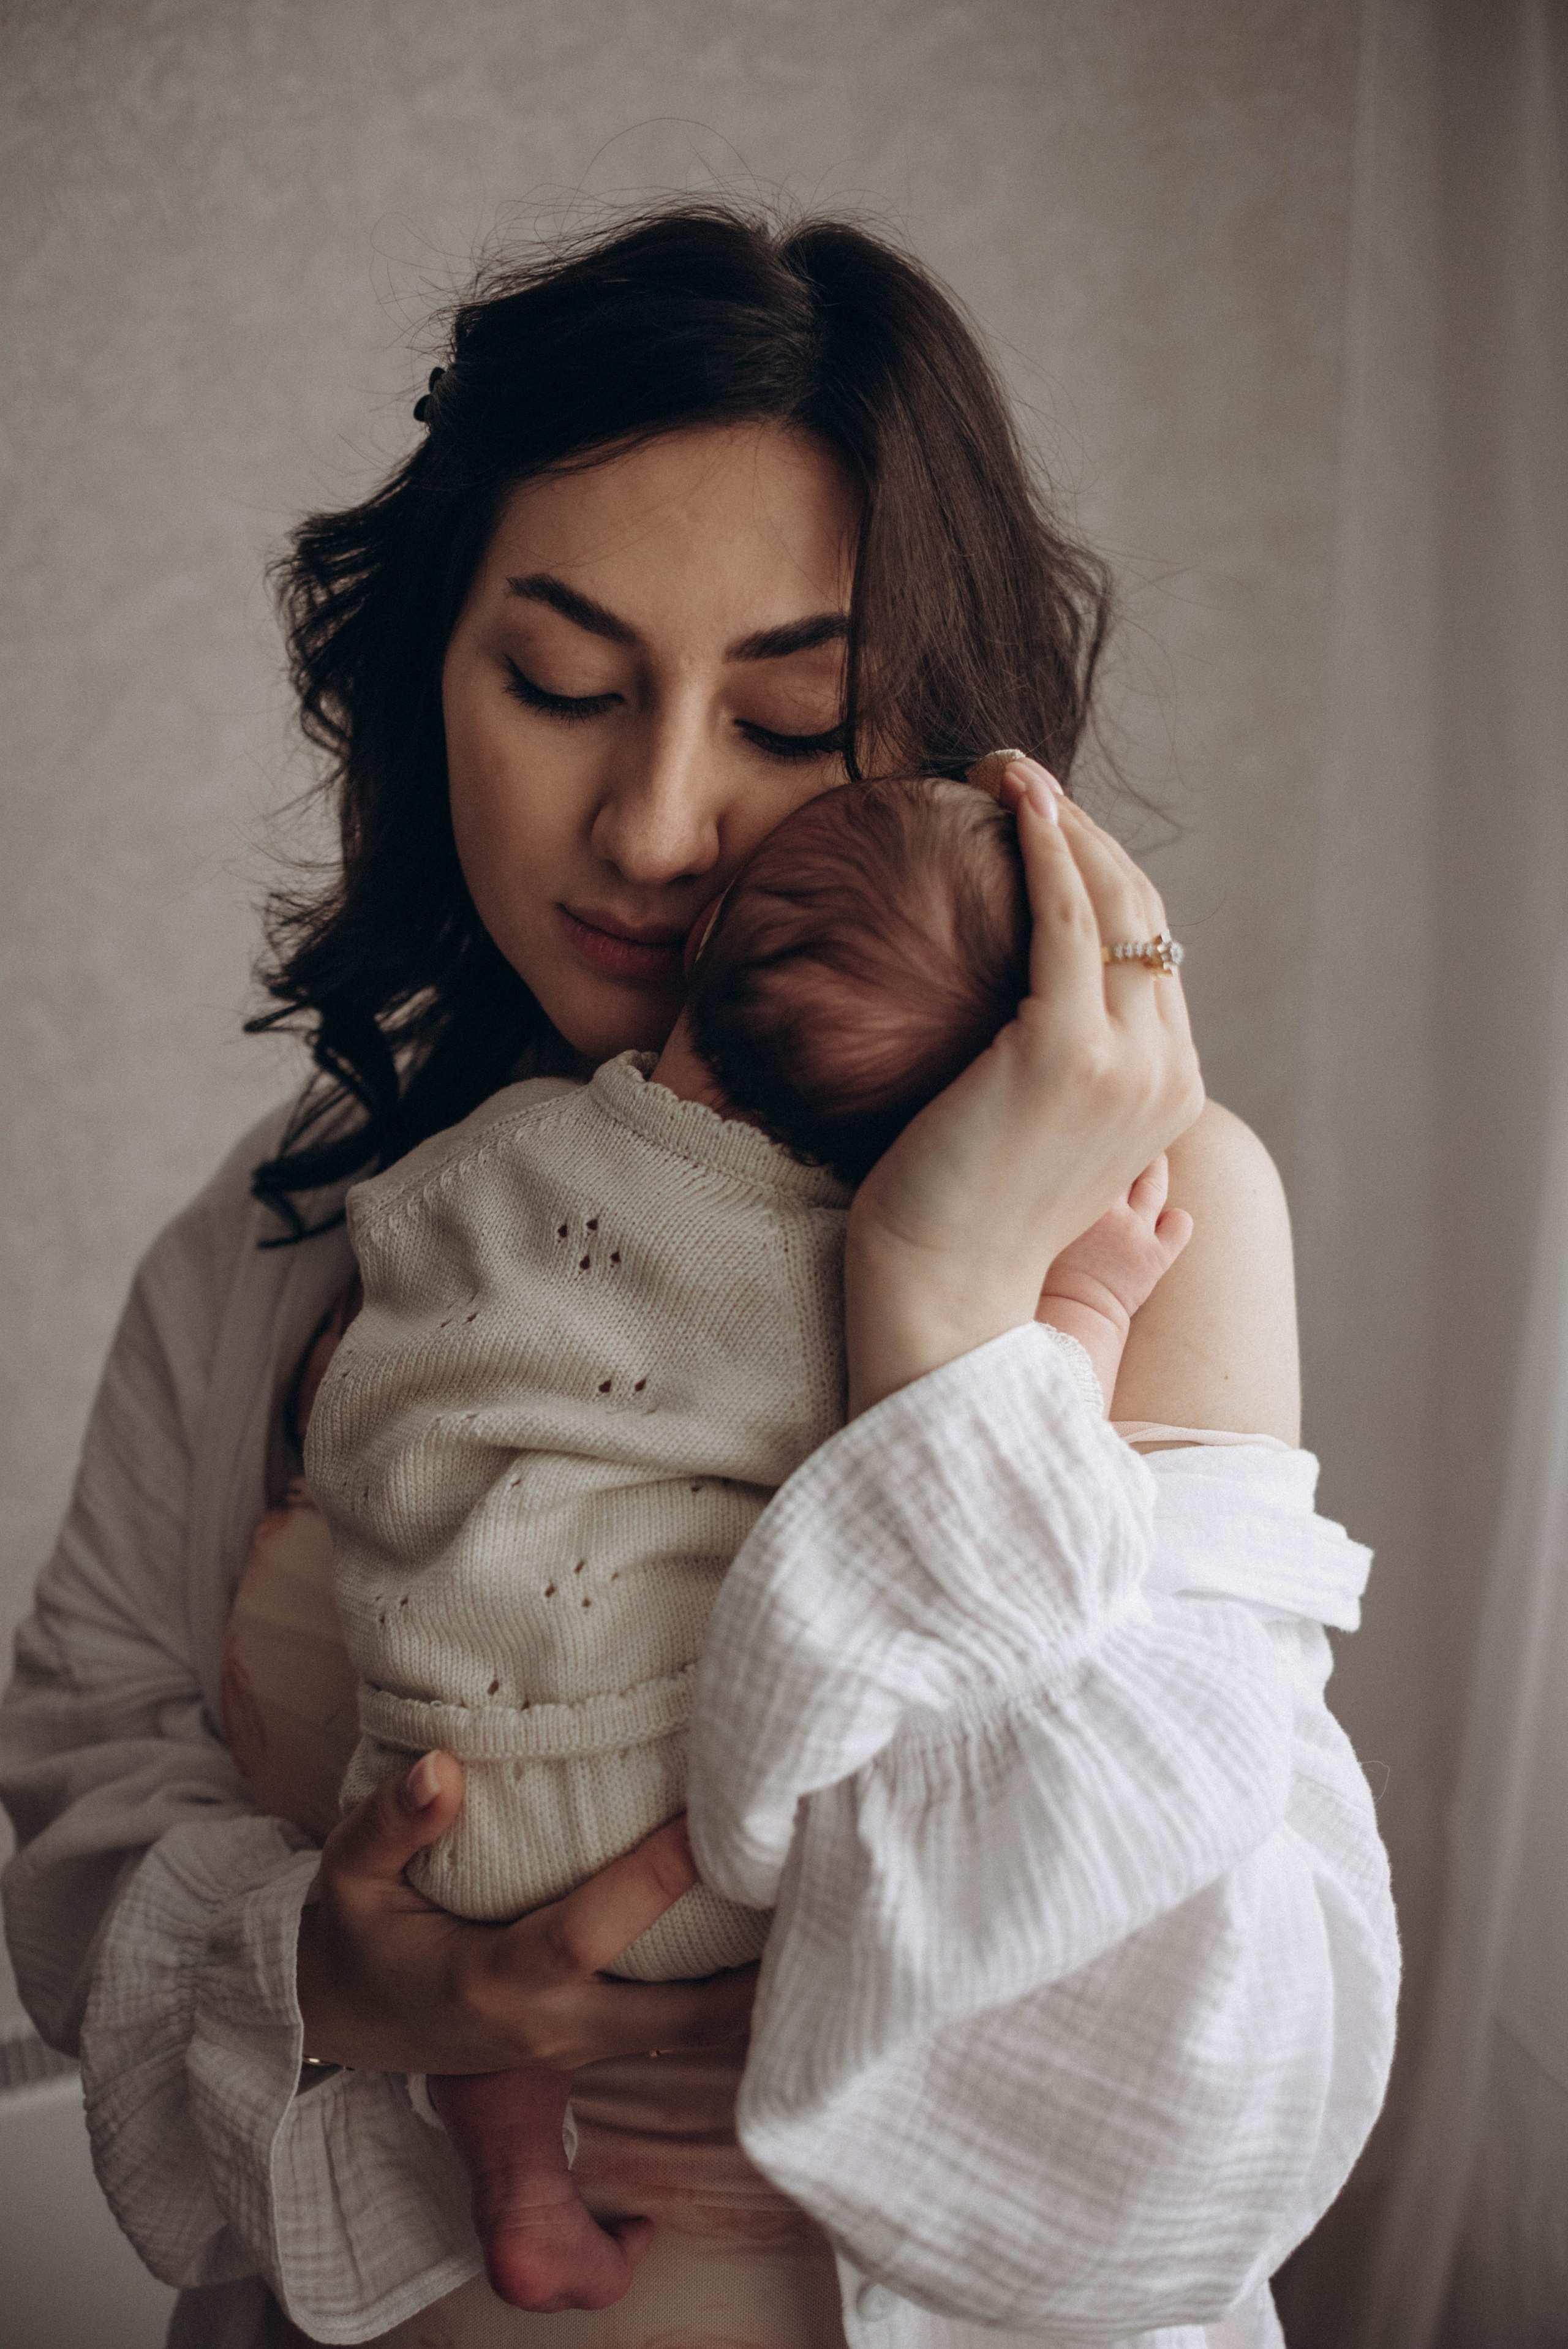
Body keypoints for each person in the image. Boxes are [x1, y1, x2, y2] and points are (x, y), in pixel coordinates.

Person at [0, 203, 1397, 2349]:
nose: (657, 827)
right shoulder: (310, 1207)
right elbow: (88, 1768)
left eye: (787, 719)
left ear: (940, 741)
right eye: (562, 684)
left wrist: (937, 1307)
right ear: (424, 680)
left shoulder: (1155, 1204)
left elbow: (1218, 2122)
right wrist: (329, 1975)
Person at [304, 773, 1193, 2314]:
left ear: (708, 935)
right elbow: (989, 1515)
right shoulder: (842, 1286)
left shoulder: (503, 1145)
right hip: (696, 1858)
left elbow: (388, 1256)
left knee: (492, 1963)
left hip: (427, 1803)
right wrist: (1087, 1303)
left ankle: (519, 2181)